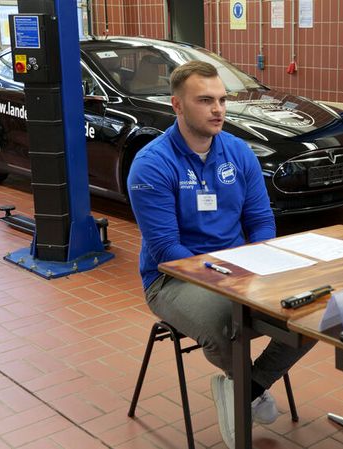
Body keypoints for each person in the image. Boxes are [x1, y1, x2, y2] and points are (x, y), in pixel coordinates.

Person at [127, 60, 315, 449]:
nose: (218, 110)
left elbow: (262, 220)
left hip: (239, 269)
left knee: (318, 310)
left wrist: (259, 264)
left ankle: (246, 390)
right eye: (205, 101)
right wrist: (229, 278)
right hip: (172, 278)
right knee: (222, 322)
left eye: (222, 100)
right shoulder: (151, 164)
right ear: (177, 106)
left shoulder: (238, 152)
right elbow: (166, 248)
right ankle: (249, 389)